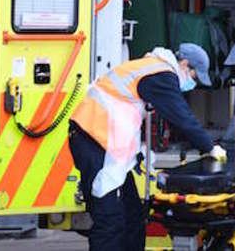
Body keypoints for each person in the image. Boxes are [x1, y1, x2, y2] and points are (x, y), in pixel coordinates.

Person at [68, 43, 226, 251]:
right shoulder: (162, 74)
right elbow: (181, 117)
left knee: (133, 215)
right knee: (110, 221)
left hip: (104, 144)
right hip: (94, 140)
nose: (192, 84)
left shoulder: (151, 68)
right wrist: (209, 146)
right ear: (185, 64)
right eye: (194, 77)